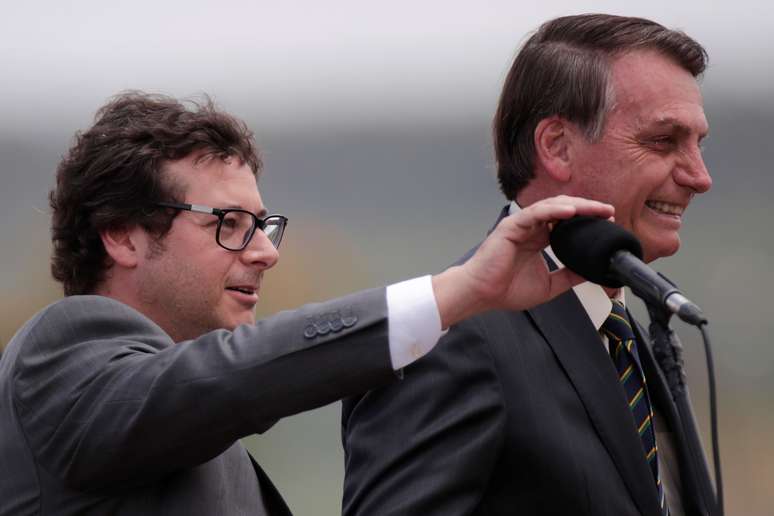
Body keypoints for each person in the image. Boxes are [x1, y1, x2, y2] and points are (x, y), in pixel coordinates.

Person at [0, 92, 612, 516]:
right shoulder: (64, 348)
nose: (265, 252)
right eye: (231, 223)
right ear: (121, 235)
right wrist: (458, 291)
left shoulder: (193, 425)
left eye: (264, 224)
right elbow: (230, 377)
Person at [342, 14, 717, 516]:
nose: (700, 177)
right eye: (663, 141)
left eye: (699, 143)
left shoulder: (634, 331)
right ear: (557, 146)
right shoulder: (450, 338)